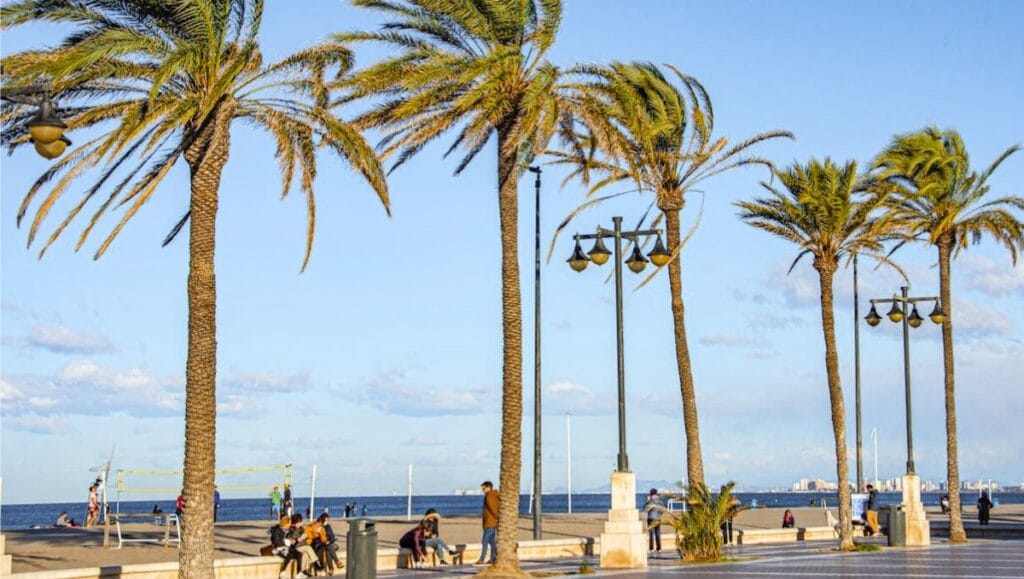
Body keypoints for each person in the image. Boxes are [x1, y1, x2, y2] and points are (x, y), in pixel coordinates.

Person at [474, 480, 499, 566]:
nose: (483, 490)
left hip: (490, 523)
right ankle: (493, 558)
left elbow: (493, 509)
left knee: (484, 541)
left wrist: (498, 518)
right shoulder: (491, 495)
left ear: (488, 488)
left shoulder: (489, 496)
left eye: (484, 488)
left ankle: (482, 559)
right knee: (492, 542)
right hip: (489, 523)